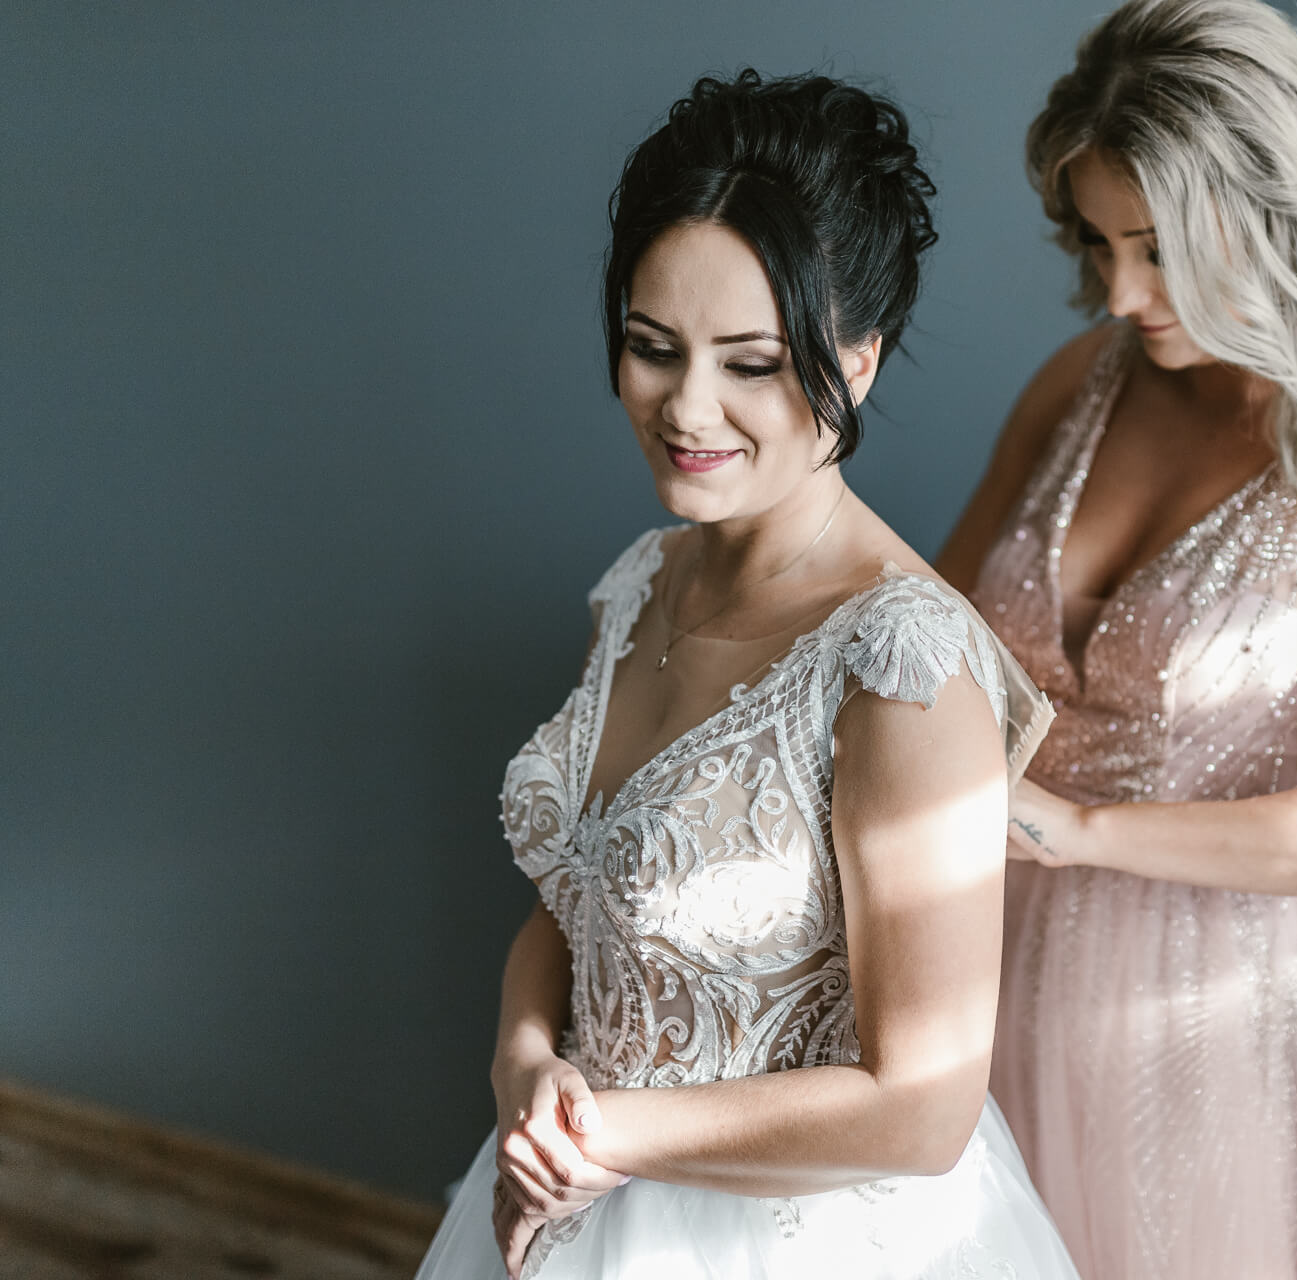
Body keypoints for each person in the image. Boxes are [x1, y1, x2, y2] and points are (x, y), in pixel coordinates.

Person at [416, 71, 1078, 1280]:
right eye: (651, 348)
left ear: (857, 363)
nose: (688, 407)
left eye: (753, 363)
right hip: (578, 1179)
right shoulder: (642, 583)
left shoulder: (904, 664)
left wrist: (610, 1136)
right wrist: (526, 1072)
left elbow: (923, 1107)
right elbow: (570, 906)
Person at [935, 2, 1297, 1276]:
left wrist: (1084, 829)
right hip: (995, 977)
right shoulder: (1078, 382)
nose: (1122, 293)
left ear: (1275, 210)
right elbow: (927, 646)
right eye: (1098, 242)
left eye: (1159, 248)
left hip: (1226, 1023)